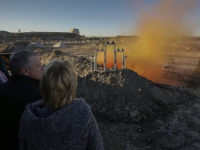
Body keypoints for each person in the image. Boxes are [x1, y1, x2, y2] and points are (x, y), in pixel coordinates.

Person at [18, 59, 104, 150]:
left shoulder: (29, 116)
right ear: (72, 85)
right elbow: (97, 146)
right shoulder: (83, 112)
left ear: (43, 85)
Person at [0, 51, 44, 149]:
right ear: (25, 71)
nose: (42, 68)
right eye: (38, 66)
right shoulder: (38, 96)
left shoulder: (3, 89)